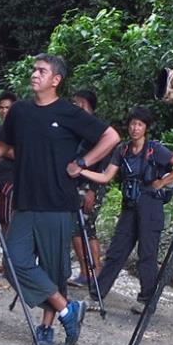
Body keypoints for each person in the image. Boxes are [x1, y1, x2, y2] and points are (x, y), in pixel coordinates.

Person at [0, 55, 119, 345]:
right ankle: (68, 310)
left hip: (58, 204)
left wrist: (83, 162)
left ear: (56, 80)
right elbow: (2, 145)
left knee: (54, 270)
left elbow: (111, 136)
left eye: (42, 71)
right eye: (34, 70)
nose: (34, 74)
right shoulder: (20, 111)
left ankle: (46, 327)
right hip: (25, 203)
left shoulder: (69, 112)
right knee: (13, 263)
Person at [81, 106, 173, 307]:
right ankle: (96, 296)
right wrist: (82, 171)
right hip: (129, 206)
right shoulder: (122, 149)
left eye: (139, 124)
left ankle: (146, 301)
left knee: (147, 255)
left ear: (145, 128)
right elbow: (106, 176)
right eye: (132, 124)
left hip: (150, 206)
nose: (135, 128)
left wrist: (163, 182)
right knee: (116, 252)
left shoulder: (155, 149)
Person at [68, 88, 104, 288]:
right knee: (79, 229)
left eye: (80, 103)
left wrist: (93, 189)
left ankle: (94, 271)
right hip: (76, 183)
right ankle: (86, 272)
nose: (76, 107)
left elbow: (104, 163)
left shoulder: (97, 128)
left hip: (91, 185)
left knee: (84, 228)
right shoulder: (77, 126)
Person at [0, 91, 18, 233]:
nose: (4, 111)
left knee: (13, 220)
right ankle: (5, 252)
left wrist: (0, 149)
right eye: (1, 107)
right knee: (0, 219)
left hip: (13, 181)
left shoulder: (20, 129)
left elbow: (20, 155)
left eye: (8, 108)